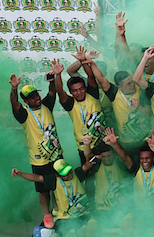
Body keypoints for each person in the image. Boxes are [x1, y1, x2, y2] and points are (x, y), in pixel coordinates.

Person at [10, 69, 63, 222]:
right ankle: (47, 215)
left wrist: (52, 81)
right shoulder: (24, 114)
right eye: (31, 97)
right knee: (43, 189)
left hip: (56, 155)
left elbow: (52, 93)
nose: (36, 98)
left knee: (57, 184)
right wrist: (14, 88)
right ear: (26, 101)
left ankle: (58, 210)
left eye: (36, 94)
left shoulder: (46, 105)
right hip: (39, 159)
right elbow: (14, 103)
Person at [57, 47, 106, 162]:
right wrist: (58, 75)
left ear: (85, 88)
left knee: (107, 170)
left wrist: (84, 60)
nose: (79, 92)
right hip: (84, 145)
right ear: (70, 92)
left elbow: (90, 76)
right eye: (75, 91)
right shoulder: (70, 103)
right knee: (89, 173)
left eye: (81, 89)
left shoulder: (92, 94)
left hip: (103, 141)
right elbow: (59, 91)